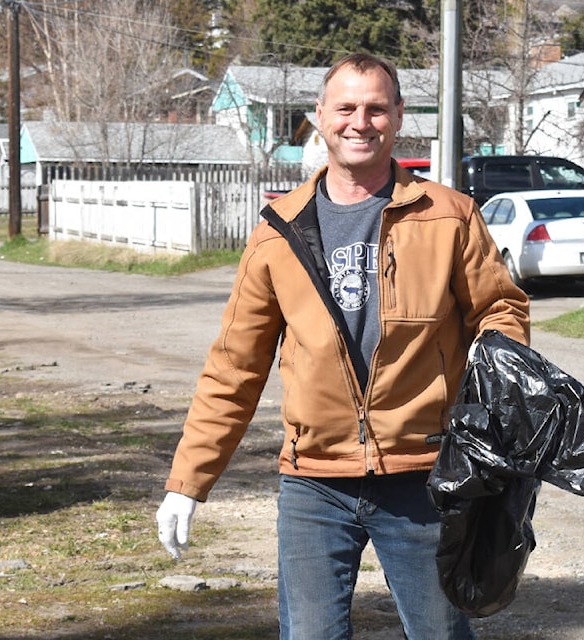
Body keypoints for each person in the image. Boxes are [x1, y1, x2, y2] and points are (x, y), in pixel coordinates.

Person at [155, 52, 530, 640]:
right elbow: (234, 368)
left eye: (377, 108)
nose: (361, 121)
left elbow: (500, 310)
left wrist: (496, 402)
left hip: (424, 477)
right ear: (320, 117)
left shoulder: (450, 217)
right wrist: (188, 483)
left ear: (400, 116)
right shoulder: (277, 231)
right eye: (347, 107)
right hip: (314, 485)